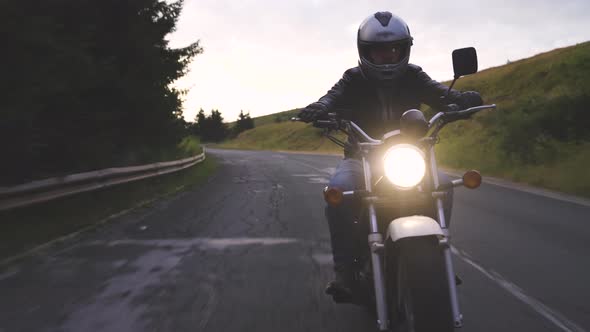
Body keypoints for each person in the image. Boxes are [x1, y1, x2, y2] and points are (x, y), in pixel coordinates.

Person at [298, 11, 483, 302]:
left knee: (443, 186)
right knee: (339, 193)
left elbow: (438, 93)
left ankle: (435, 258)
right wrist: (319, 108)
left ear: (404, 48)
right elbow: (331, 97)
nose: (388, 55)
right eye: (380, 50)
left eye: (394, 48)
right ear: (365, 51)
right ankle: (344, 272)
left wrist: (461, 100)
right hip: (361, 159)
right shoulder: (353, 78)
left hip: (409, 156)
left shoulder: (413, 75)